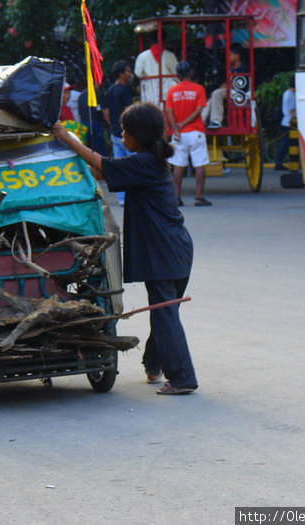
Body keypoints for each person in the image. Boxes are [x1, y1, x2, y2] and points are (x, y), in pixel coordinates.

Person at [52, 103, 198, 395]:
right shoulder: (148, 161)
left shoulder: (145, 163)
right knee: (164, 310)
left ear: (137, 135)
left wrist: (67, 138)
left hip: (164, 252)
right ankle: (154, 365)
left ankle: (183, 378)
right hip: (175, 249)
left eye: (124, 131)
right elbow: (103, 172)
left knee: (165, 312)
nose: (121, 135)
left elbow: (103, 164)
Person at [165, 61, 212, 207]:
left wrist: (176, 128)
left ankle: (177, 197)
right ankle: (199, 197)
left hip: (179, 134)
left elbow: (168, 111)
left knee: (178, 165)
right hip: (196, 131)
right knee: (199, 164)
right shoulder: (199, 89)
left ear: (177, 75)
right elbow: (199, 110)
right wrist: (185, 123)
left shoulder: (172, 90)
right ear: (191, 73)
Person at [106, 60, 134, 205]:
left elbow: (106, 112)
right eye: (128, 71)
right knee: (133, 165)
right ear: (121, 73)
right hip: (127, 133)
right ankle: (134, 195)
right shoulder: (124, 91)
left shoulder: (110, 90)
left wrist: (113, 126)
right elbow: (130, 113)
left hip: (114, 132)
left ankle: (122, 198)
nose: (130, 74)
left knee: (119, 166)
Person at [202, 43, 249, 128]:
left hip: (238, 93)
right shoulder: (230, 68)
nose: (228, 56)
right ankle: (202, 120)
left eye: (230, 54)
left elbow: (237, 85)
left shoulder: (243, 69)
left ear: (237, 56)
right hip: (229, 91)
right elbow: (225, 82)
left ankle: (216, 120)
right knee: (213, 95)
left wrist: (222, 89)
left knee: (217, 94)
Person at [134, 30, 179, 107]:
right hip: (167, 92)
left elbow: (138, 73)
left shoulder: (142, 56)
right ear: (165, 40)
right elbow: (176, 73)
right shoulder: (170, 55)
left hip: (149, 92)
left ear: (151, 40)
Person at [77, 83, 110, 155]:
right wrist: (110, 124)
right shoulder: (97, 93)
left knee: (88, 150)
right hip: (95, 124)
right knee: (100, 150)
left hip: (84, 125)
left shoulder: (81, 95)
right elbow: (105, 112)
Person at [274, 76, 296, 171]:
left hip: (287, 122)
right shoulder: (290, 94)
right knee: (286, 144)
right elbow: (292, 110)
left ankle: (281, 161)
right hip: (289, 122)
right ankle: (279, 161)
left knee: (287, 144)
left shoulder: (288, 93)